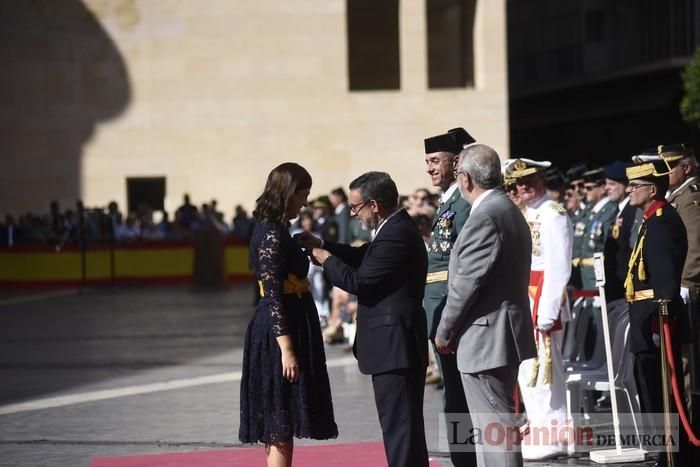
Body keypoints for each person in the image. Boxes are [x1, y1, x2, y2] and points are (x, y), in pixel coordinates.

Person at [298, 171, 429, 467]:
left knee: (401, 430)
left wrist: (325, 259)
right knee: (401, 427)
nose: (354, 213)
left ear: (374, 204)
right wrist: (323, 244)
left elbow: (360, 280)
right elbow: (362, 256)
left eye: (356, 207)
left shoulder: (395, 234)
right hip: (393, 347)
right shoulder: (392, 228)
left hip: (396, 348)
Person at [435, 144, 536, 467]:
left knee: (495, 430)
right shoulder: (505, 208)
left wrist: (444, 332)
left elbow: (467, 284)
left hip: (486, 338)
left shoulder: (486, 215)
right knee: (497, 427)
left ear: (464, 178)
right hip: (498, 333)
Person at [238, 163, 337, 467]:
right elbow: (272, 294)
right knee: (278, 412)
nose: (305, 202)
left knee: (283, 412)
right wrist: (288, 350)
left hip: (290, 324)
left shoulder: (277, 228)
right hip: (278, 333)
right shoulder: (270, 231)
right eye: (303, 194)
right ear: (288, 193)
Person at [623, 157, 690, 467]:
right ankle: (663, 452)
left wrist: (658, 321)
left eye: (634, 186)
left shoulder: (662, 222)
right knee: (648, 388)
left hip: (654, 319)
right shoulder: (652, 218)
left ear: (652, 189)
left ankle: (670, 455)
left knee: (660, 391)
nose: (628, 191)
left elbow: (665, 281)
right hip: (645, 317)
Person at [507, 158, 572, 461]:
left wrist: (547, 310)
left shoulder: (552, 213)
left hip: (544, 300)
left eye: (528, 180)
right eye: (518, 182)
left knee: (545, 374)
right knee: (526, 372)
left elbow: (559, 266)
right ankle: (539, 427)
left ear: (542, 178)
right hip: (526, 297)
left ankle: (554, 435)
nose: (522, 187)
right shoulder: (528, 212)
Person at [423, 126, 477, 467]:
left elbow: (463, 263)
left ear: (456, 162)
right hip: (437, 306)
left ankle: (466, 459)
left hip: (450, 310)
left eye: (434, 160)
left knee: (459, 394)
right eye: (426, 161)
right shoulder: (448, 203)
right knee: (452, 393)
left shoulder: (465, 204)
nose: (429, 168)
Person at [662, 143, 700, 423]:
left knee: (685, 361)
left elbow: (695, 246)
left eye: (669, 166)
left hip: (687, 290)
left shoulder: (690, 197)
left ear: (686, 168)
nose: (664, 173)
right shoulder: (675, 195)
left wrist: (686, 283)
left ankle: (687, 424)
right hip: (673, 287)